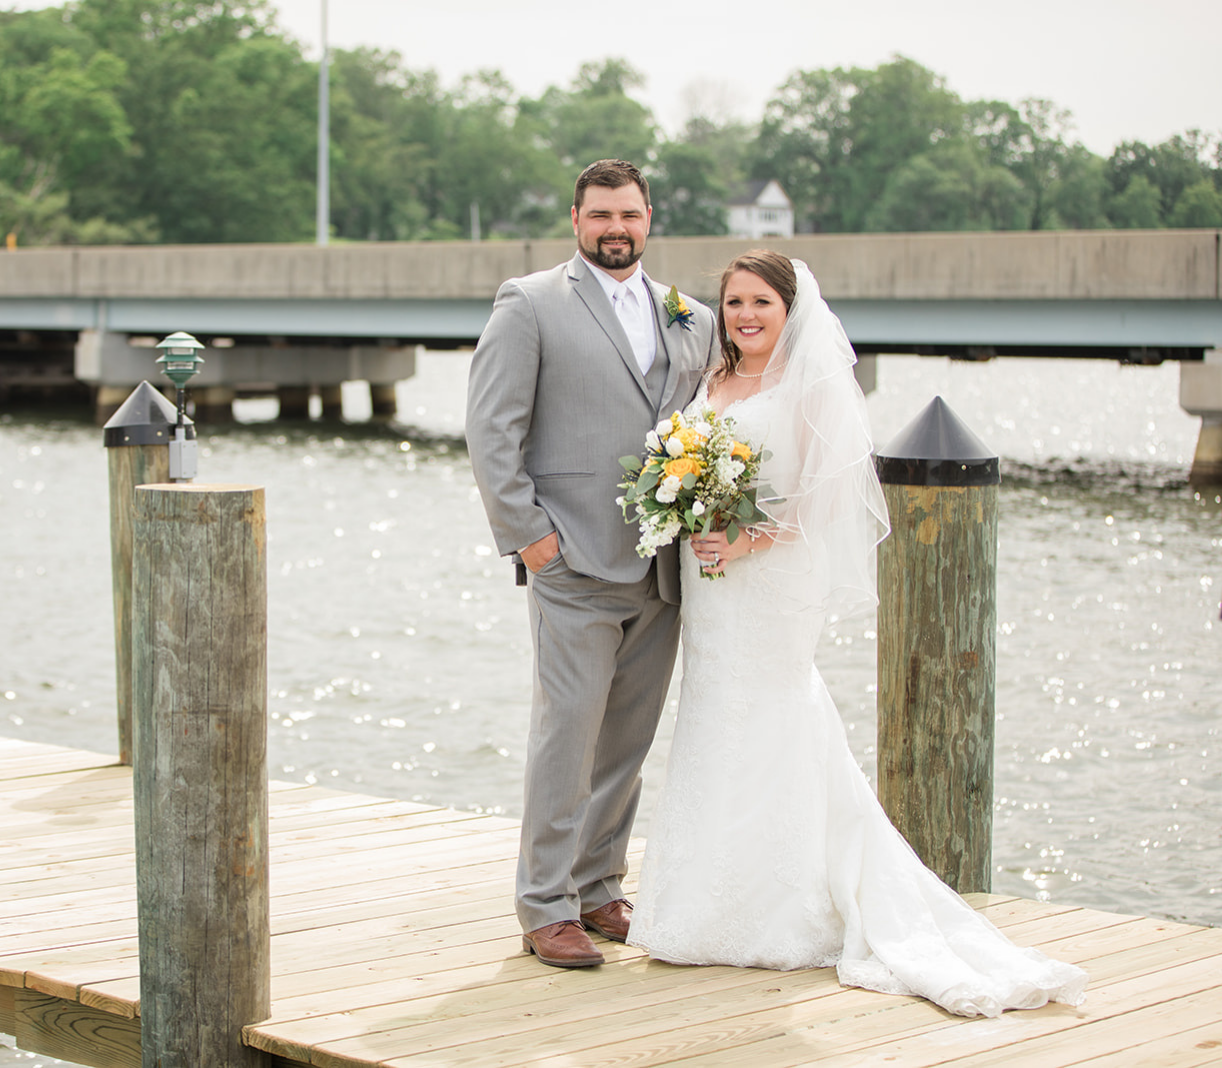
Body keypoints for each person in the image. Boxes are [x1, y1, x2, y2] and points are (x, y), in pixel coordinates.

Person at [627, 249, 1088, 1016]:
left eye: (761, 304)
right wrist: (687, 509)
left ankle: (786, 907)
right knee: (713, 719)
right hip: (711, 584)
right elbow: (697, 467)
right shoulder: (711, 381)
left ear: (790, 311)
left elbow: (828, 486)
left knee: (772, 711)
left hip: (771, 579)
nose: (745, 316)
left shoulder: (808, 386)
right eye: (735, 302)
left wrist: (749, 539)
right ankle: (700, 904)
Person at [466, 159, 720, 968]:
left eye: (631, 215)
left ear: (650, 220)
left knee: (626, 741)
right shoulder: (530, 303)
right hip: (570, 560)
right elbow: (491, 429)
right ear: (576, 220)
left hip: (662, 567)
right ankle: (545, 904)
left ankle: (600, 884)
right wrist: (530, 537)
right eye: (602, 214)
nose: (618, 228)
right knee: (566, 736)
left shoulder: (694, 318)